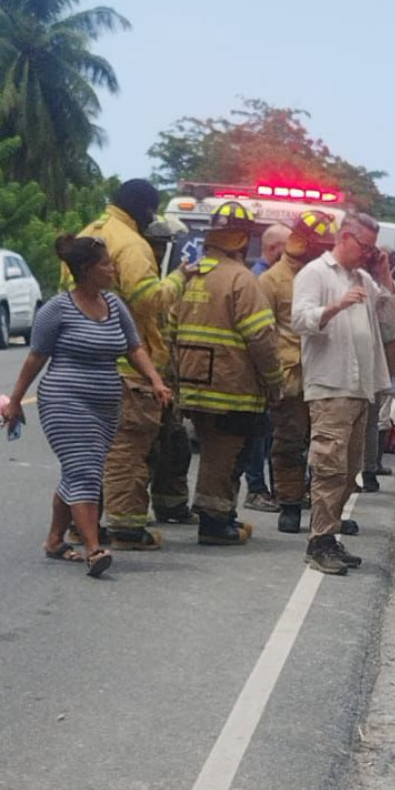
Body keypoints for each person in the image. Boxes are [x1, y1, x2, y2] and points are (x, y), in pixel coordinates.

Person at [2, 235, 170, 579]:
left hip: (106, 405)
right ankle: (94, 549)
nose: (112, 269)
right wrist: (16, 400)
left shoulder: (114, 304)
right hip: (64, 400)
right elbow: (36, 357)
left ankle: (54, 540)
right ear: (86, 270)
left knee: (79, 471)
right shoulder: (57, 309)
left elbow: (134, 348)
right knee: (86, 472)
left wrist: (155, 379)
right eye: (106, 264)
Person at [74, 179, 189, 550]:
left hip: (85, 360)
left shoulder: (89, 233)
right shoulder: (131, 244)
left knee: (92, 450)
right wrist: (178, 278)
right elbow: (148, 301)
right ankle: (126, 529)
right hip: (126, 366)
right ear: (144, 210)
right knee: (127, 449)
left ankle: (82, 525)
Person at [291, 210, 395, 576]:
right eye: (365, 247)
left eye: (374, 249)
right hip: (330, 385)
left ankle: (331, 534)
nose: (368, 254)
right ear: (344, 238)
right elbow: (300, 319)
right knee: (329, 466)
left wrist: (384, 273)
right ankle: (318, 541)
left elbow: (392, 316)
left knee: (350, 469)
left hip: (359, 387)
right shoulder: (316, 274)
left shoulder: (365, 279)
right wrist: (336, 306)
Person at [169, 201, 283, 546]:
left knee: (207, 451)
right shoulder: (242, 280)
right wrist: (275, 382)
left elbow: (169, 326)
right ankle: (216, 522)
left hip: (190, 382)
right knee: (227, 454)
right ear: (239, 240)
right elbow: (261, 338)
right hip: (232, 387)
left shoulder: (188, 275)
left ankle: (207, 512)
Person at [258, 209, 336, 534]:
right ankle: (289, 504)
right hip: (291, 378)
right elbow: (263, 332)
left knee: (329, 447)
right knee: (289, 443)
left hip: (328, 374)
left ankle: (327, 510)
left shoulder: (329, 276)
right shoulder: (272, 281)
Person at [144, 218, 195, 525]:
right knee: (141, 452)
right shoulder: (141, 277)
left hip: (164, 375)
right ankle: (126, 519)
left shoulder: (158, 279)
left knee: (175, 445)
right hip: (142, 378)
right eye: (157, 243)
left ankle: (171, 506)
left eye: (165, 244)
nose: (161, 250)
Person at [244, 226, 291, 508]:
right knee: (260, 432)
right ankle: (256, 488)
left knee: (268, 432)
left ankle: (270, 488)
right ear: (275, 248)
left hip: (268, 365)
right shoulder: (263, 278)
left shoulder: (259, 274)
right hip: (261, 367)